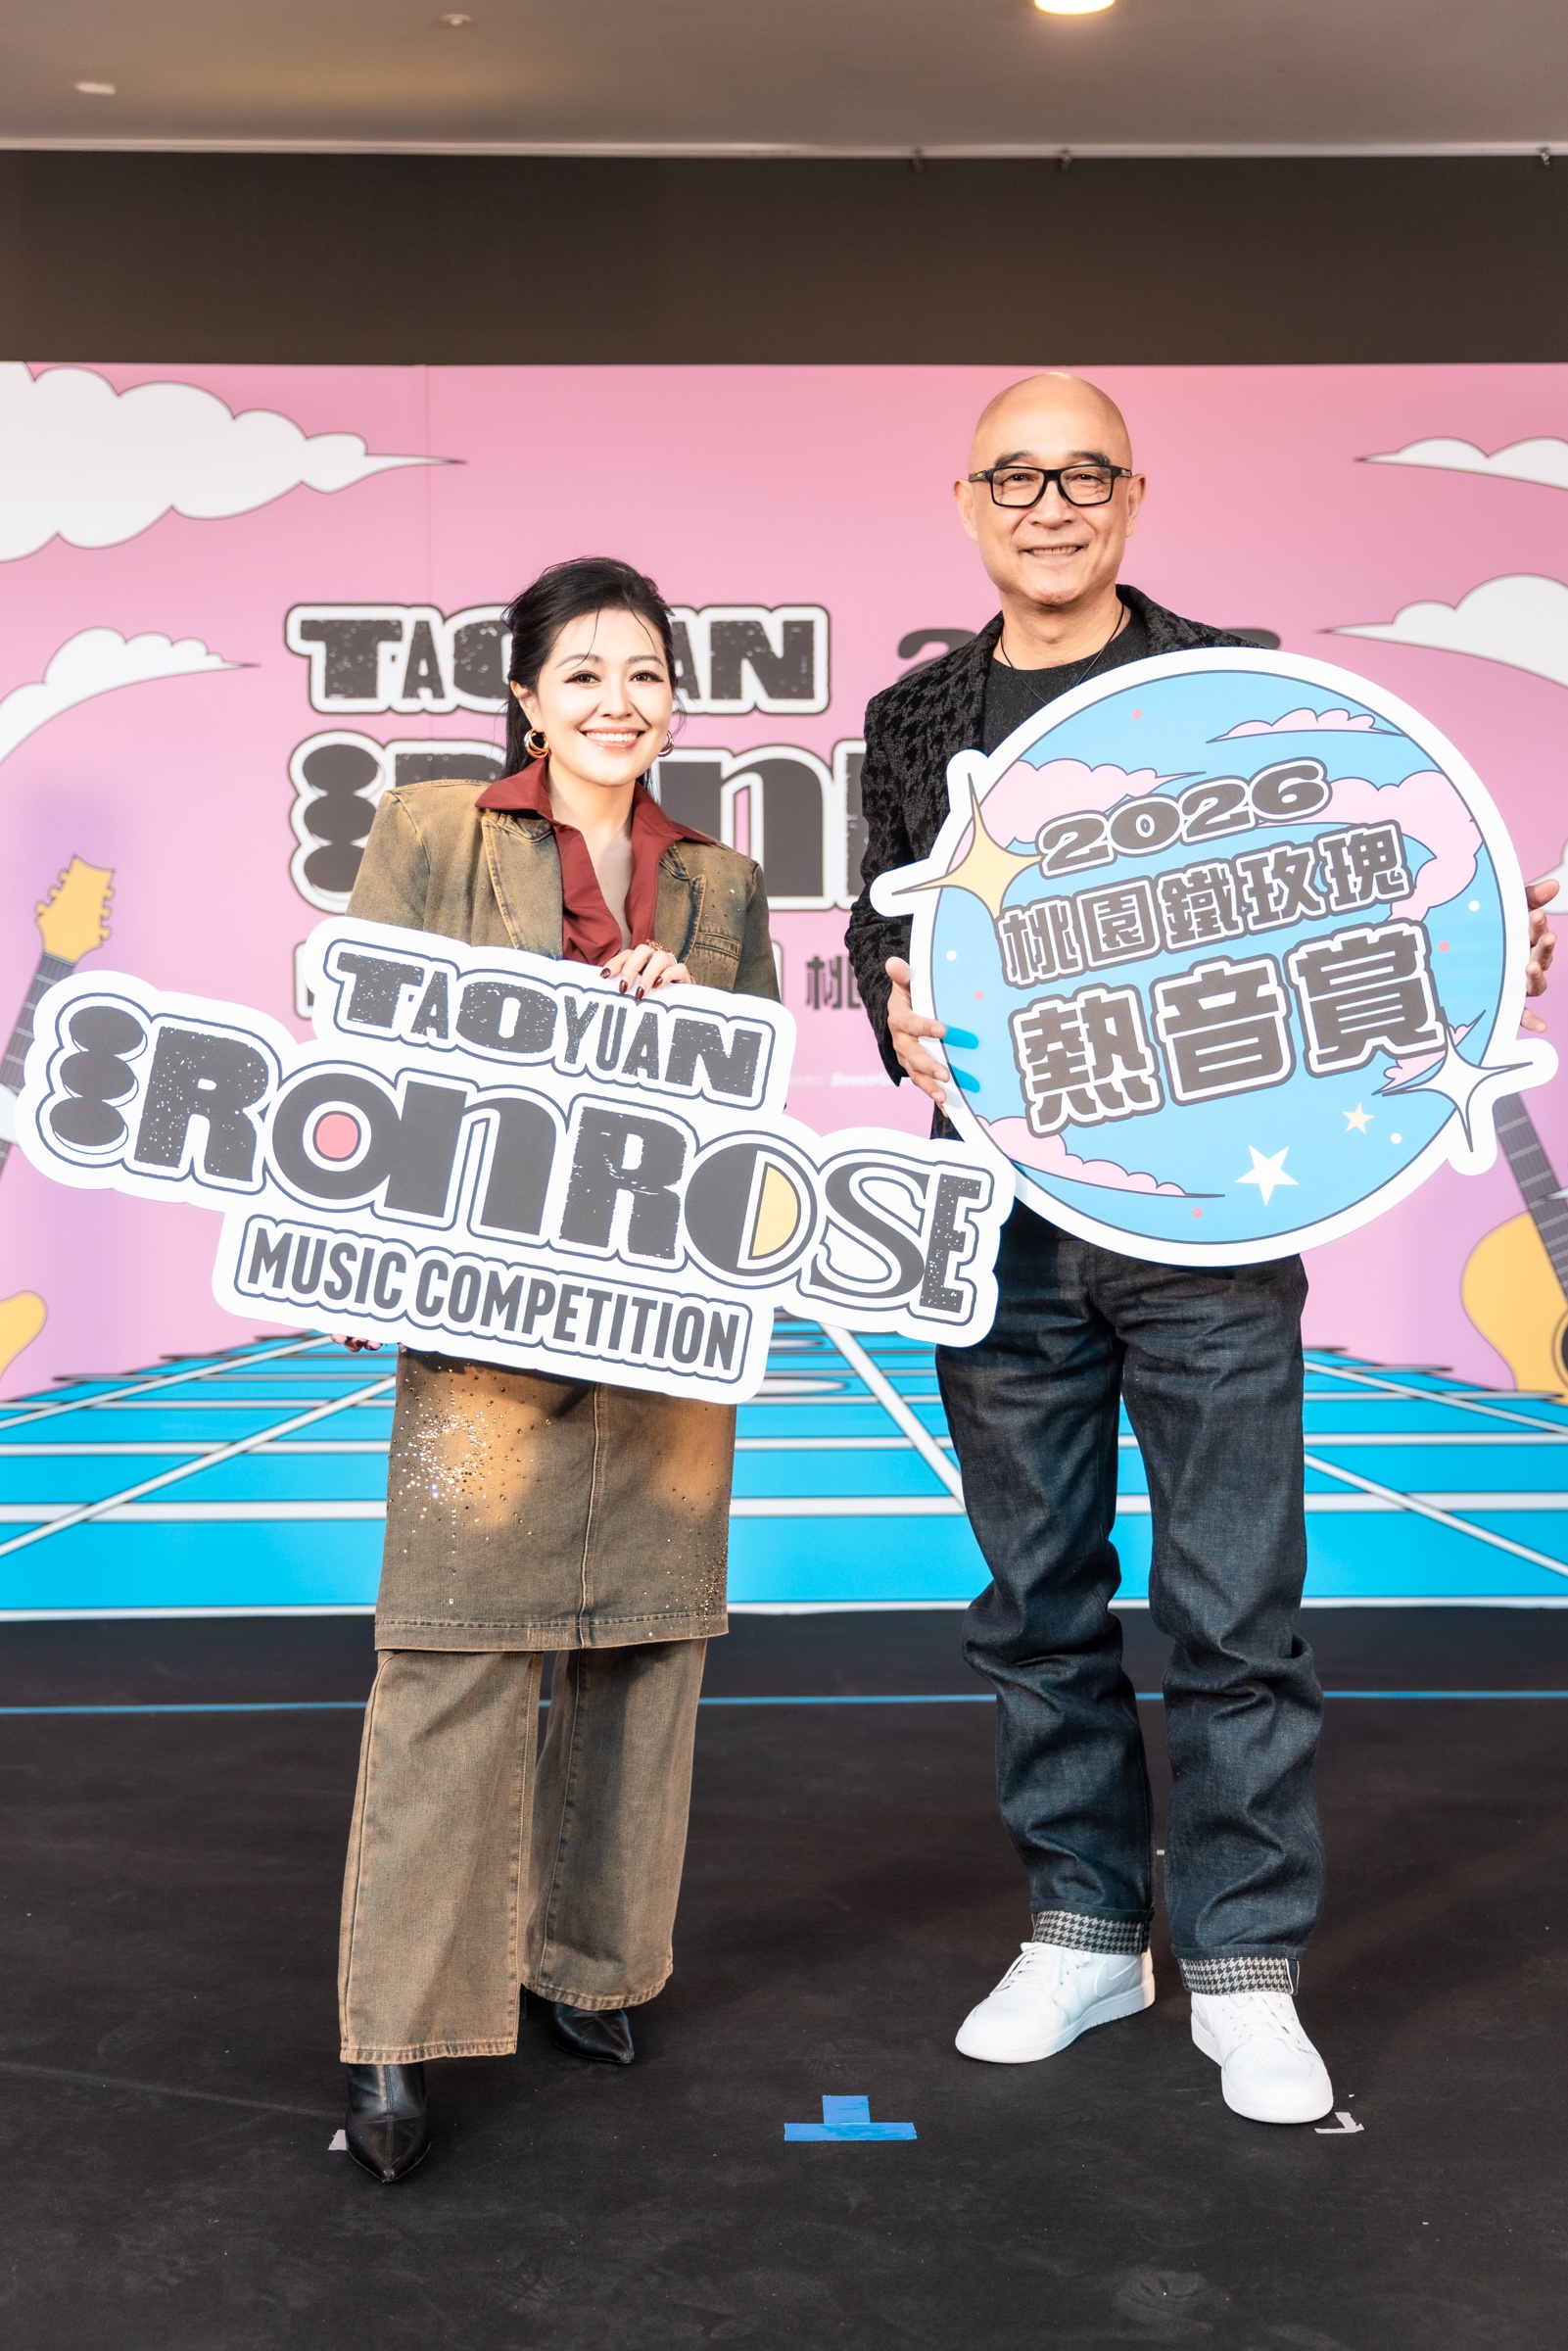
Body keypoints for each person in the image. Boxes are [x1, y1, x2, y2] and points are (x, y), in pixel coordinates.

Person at [846, 368, 1555, 2129]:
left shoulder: (1228, 683)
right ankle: (1086, 1930)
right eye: (1015, 477)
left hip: (1215, 1230)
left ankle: (1244, 1969)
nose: (1049, 504)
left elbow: (1356, 901)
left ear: (1132, 497)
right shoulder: (913, 718)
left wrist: (1478, 957)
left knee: (1234, 1609)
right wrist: (901, 1020)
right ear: (967, 504)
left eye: (1082, 473)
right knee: (1034, 1603)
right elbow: (884, 950)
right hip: (1002, 1225)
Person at [331, 555, 777, 2183]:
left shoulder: (719, 880)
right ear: (526, 696)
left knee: (646, 1644)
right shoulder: (433, 830)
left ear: (675, 699)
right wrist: (357, 1236)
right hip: (486, 1307)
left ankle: (589, 1969)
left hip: (662, 1317)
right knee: (450, 1650)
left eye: (644, 673)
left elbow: (747, 1100)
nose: (617, 701)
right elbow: (367, 1043)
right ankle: (396, 2027)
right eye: (582, 672)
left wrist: (683, 1014)